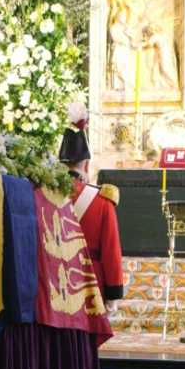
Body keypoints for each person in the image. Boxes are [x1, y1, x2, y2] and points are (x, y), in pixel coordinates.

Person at [58, 102, 123, 309]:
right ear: (86, 164)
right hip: (91, 281)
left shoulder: (43, 195)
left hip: (55, 279)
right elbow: (111, 250)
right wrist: (113, 292)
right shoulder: (102, 201)